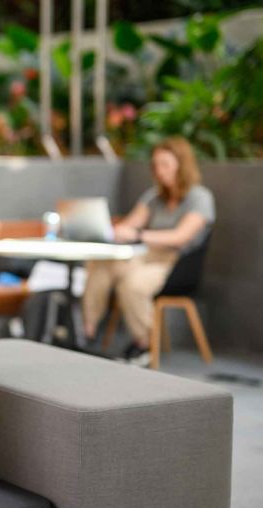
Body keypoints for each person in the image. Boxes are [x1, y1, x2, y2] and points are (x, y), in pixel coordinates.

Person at [82, 136, 215, 365]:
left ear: (181, 165)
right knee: (101, 263)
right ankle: (87, 331)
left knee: (133, 283)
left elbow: (180, 237)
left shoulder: (199, 197)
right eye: (156, 165)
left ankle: (144, 343)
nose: (160, 171)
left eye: (165, 164)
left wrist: (139, 235)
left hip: (176, 263)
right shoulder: (154, 197)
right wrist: (114, 230)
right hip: (144, 254)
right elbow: (130, 224)